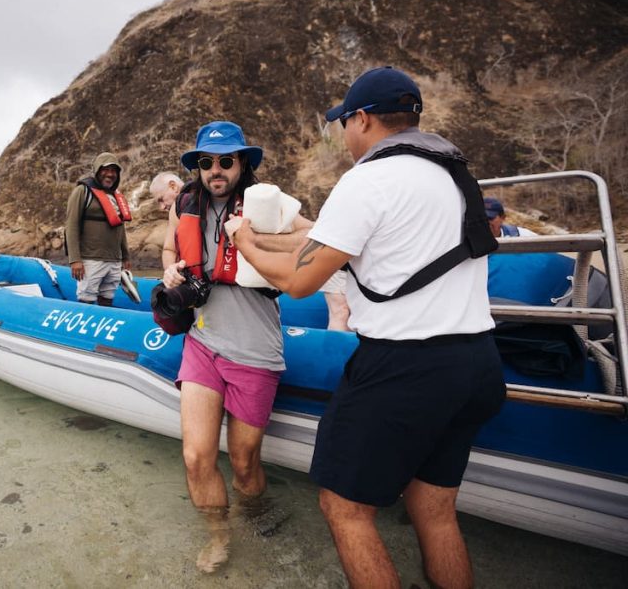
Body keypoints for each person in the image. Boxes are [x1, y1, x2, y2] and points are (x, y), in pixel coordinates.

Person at [225, 67, 506, 589]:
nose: (344, 135)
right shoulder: (453, 173)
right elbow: (336, 246)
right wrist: (267, 242)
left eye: (344, 123)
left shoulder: (369, 179)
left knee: (345, 507)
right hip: (477, 363)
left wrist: (244, 245)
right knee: (436, 510)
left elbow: (300, 282)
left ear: (360, 119)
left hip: (405, 367)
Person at [159, 121, 309, 572]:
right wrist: (170, 271)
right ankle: (219, 536)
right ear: (198, 167)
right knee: (195, 455)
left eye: (226, 160)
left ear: (243, 163)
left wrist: (254, 239)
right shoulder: (185, 203)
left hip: (256, 352)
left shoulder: (269, 204)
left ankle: (257, 515)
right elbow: (169, 249)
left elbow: (319, 237)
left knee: (244, 463)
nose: (216, 170)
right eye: (207, 162)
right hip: (203, 342)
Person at [64, 152, 132, 306]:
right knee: (86, 296)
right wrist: (75, 260)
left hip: (114, 259)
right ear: (97, 170)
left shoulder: (117, 196)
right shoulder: (82, 191)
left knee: (108, 296)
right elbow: (71, 226)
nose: (110, 174)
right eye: (105, 169)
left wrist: (126, 256)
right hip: (91, 259)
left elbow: (120, 228)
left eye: (114, 170)